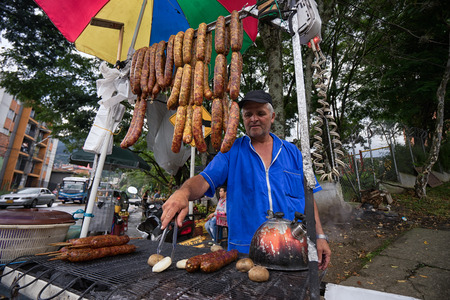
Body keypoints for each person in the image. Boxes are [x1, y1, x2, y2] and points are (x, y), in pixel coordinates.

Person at [161, 90, 331, 270]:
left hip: (291, 250)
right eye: (248, 114)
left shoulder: (293, 153)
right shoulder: (231, 151)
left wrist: (320, 237)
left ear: (272, 117)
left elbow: (308, 197)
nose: (254, 118)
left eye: (260, 113)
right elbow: (204, 180)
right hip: (244, 253)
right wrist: (183, 192)